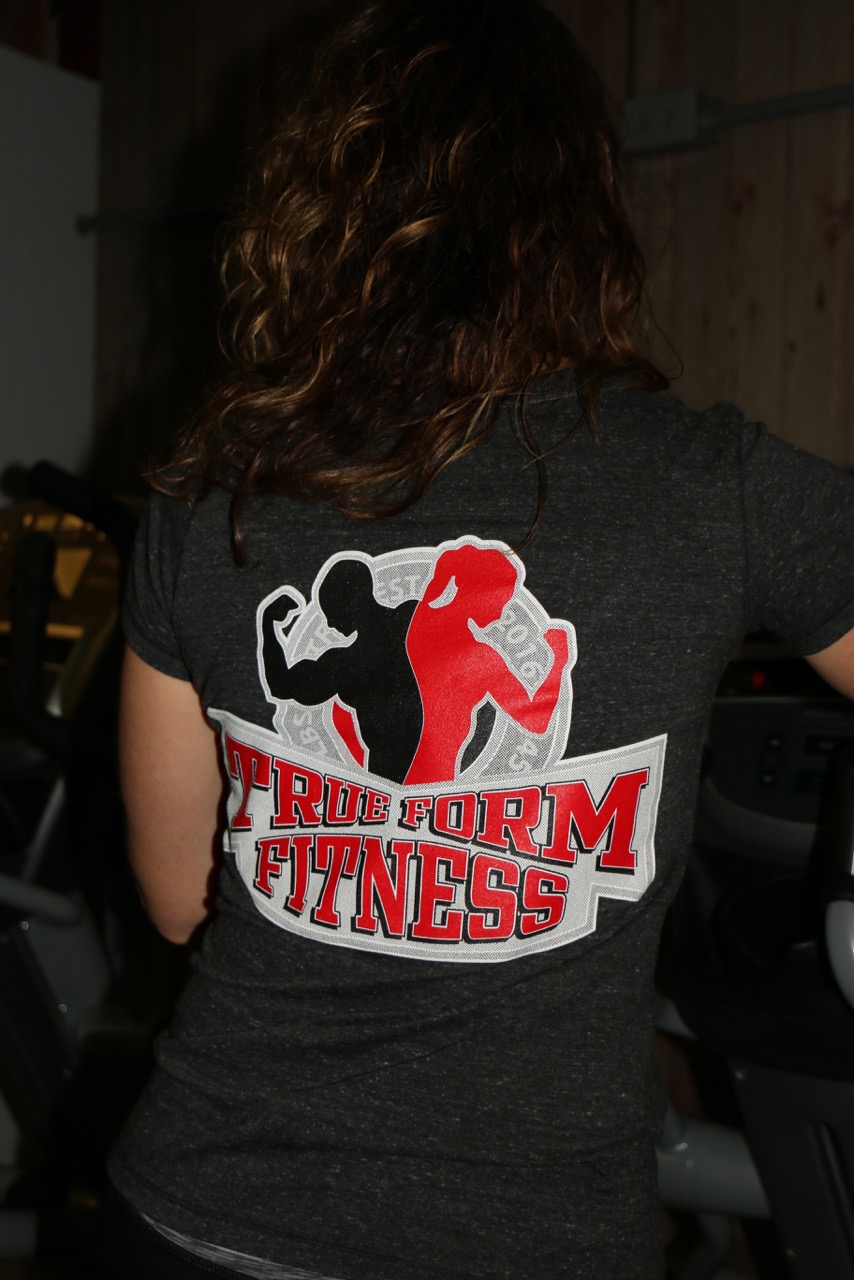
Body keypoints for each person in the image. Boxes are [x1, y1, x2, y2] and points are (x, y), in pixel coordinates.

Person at [97, 2, 854, 1277]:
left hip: (201, 1211)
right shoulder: (711, 483)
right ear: (583, 215)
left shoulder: (210, 493)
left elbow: (181, 899)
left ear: (324, 207)